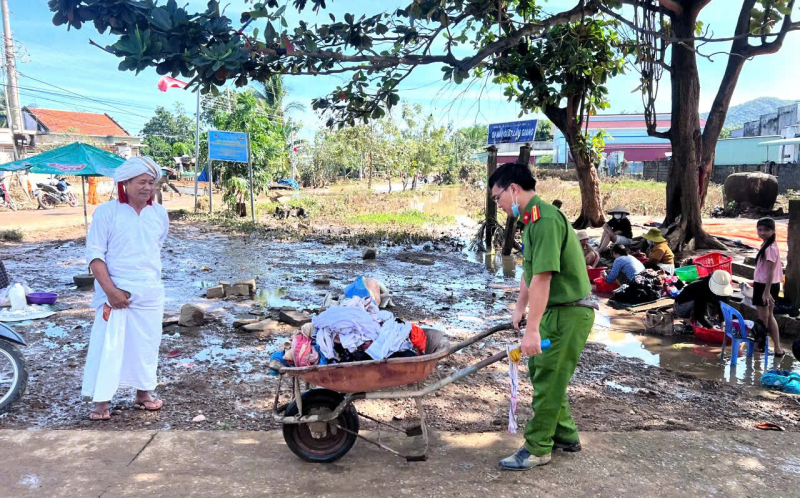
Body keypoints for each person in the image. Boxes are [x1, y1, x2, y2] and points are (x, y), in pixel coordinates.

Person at [489, 162, 594, 471]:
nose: (499, 205)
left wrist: (531, 329)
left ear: (513, 189)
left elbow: (544, 278)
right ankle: (565, 434)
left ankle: (537, 448)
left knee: (549, 377)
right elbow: (529, 271)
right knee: (542, 370)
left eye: (498, 198)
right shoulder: (532, 221)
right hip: (556, 310)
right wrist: (521, 308)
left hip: (570, 312)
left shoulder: (545, 220)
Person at [81, 156, 170, 421]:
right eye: (141, 182)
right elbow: (95, 256)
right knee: (109, 345)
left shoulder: (159, 214)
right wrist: (111, 291)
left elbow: (155, 248)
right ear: (125, 183)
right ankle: (101, 402)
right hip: (115, 292)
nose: (147, 187)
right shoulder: (107, 212)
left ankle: (144, 393)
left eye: (151, 183)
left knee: (147, 345)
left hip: (150, 292)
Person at [753, 217, 785, 357]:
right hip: (768, 284)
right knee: (769, 316)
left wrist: (766, 291)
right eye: (760, 229)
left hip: (765, 286)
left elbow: (771, 271)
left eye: (766, 230)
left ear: (773, 231)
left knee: (763, 318)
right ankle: (777, 348)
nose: (762, 232)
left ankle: (759, 347)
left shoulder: (770, 248)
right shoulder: (767, 245)